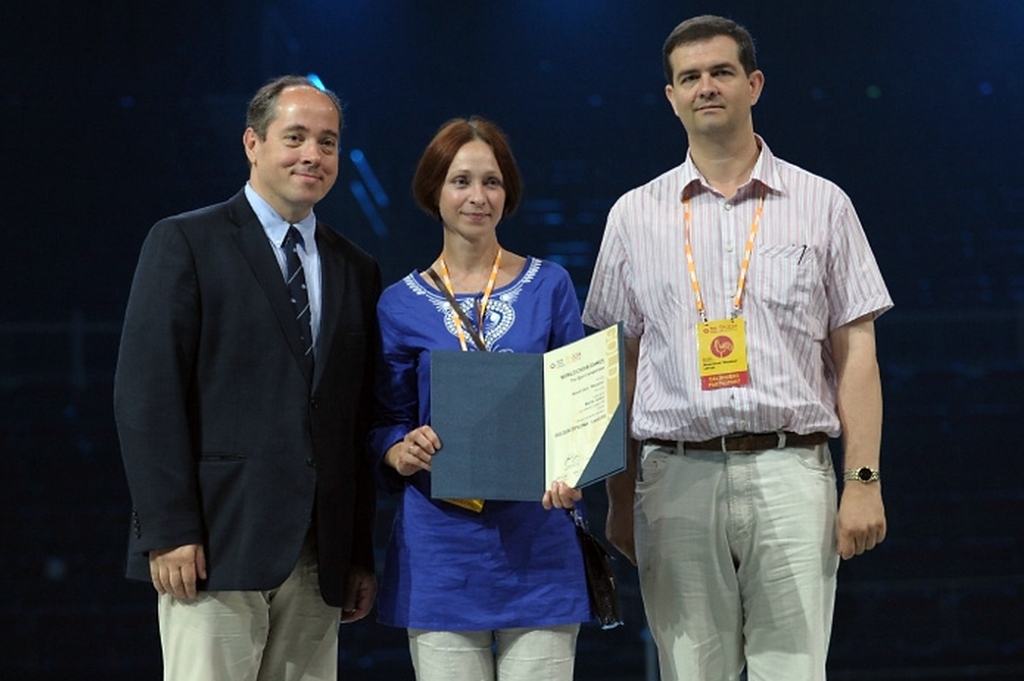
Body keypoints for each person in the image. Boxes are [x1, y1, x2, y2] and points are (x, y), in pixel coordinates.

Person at [582, 15, 892, 681]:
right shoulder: (632, 215)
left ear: (753, 84)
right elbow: (620, 366)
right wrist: (619, 495)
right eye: (689, 77)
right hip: (673, 475)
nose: (706, 87)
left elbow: (856, 353)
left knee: (794, 671)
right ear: (670, 96)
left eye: (721, 72)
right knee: (689, 671)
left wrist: (863, 479)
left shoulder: (822, 203)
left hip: (792, 468)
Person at [114, 75, 381, 681]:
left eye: (328, 142)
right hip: (212, 546)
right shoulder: (185, 241)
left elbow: (354, 420)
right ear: (252, 143)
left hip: (319, 558)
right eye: (295, 137)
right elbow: (145, 396)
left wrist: (357, 554)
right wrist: (168, 529)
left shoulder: (356, 268)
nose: (313, 154)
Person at [368, 116, 590, 681]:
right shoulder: (399, 304)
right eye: (460, 181)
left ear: (507, 192)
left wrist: (577, 470)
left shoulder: (550, 285)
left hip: (538, 540)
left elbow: (583, 404)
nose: (477, 197)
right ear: (434, 192)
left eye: (491, 182)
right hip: (441, 551)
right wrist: (398, 449)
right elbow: (385, 420)